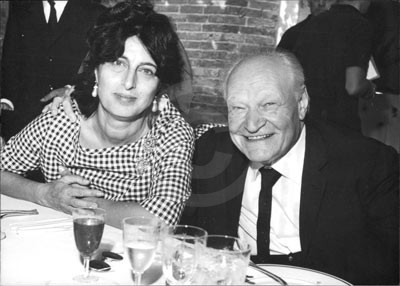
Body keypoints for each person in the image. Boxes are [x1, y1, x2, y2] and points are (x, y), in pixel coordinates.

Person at [181, 50, 399, 285]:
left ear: (302, 103)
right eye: (238, 108)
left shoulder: (367, 163)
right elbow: (186, 237)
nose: (252, 125)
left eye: (268, 104)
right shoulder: (211, 152)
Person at [0, 2, 194, 229]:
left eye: (146, 71)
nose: (129, 83)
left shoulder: (171, 132)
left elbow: (159, 220)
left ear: (159, 85)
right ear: (96, 71)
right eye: (117, 63)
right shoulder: (62, 119)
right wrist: (44, 193)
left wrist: (74, 201)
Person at [1, 0, 106, 141]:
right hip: (21, 120)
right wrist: (6, 100)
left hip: (69, 121)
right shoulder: (21, 8)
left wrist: (72, 89)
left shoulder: (96, 14)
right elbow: (10, 59)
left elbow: (99, 67)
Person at [280, 0, 375, 132]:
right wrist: (369, 87)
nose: (320, 3)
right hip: (336, 123)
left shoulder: (311, 26)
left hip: (307, 121)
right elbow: (354, 86)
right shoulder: (359, 24)